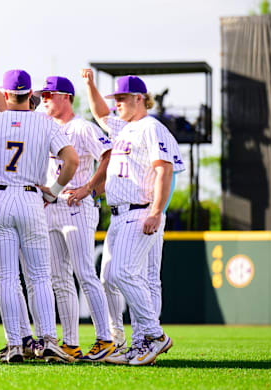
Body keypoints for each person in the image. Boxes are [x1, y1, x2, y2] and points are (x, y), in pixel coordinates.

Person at [0, 63, 78, 363]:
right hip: (31, 197)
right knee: (39, 276)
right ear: (30, 94)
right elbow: (72, 161)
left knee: (7, 279)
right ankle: (48, 340)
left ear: (5, 94)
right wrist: (53, 191)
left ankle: (14, 344)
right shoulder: (45, 123)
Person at [81, 69, 182, 366]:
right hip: (120, 214)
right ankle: (136, 343)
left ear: (140, 98)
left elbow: (165, 171)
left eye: (122, 98)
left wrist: (156, 211)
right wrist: (90, 85)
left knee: (125, 274)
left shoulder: (151, 127)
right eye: (116, 98)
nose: (117, 103)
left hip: (140, 211)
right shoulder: (124, 128)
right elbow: (101, 113)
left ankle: (153, 335)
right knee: (113, 277)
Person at [34, 75, 116, 362]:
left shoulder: (82, 127)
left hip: (76, 206)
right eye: (43, 95)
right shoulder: (45, 126)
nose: (44, 99)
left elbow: (109, 154)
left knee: (84, 273)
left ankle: (105, 338)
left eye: (49, 94)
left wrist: (89, 187)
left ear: (66, 97)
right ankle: (70, 343)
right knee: (59, 278)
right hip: (51, 205)